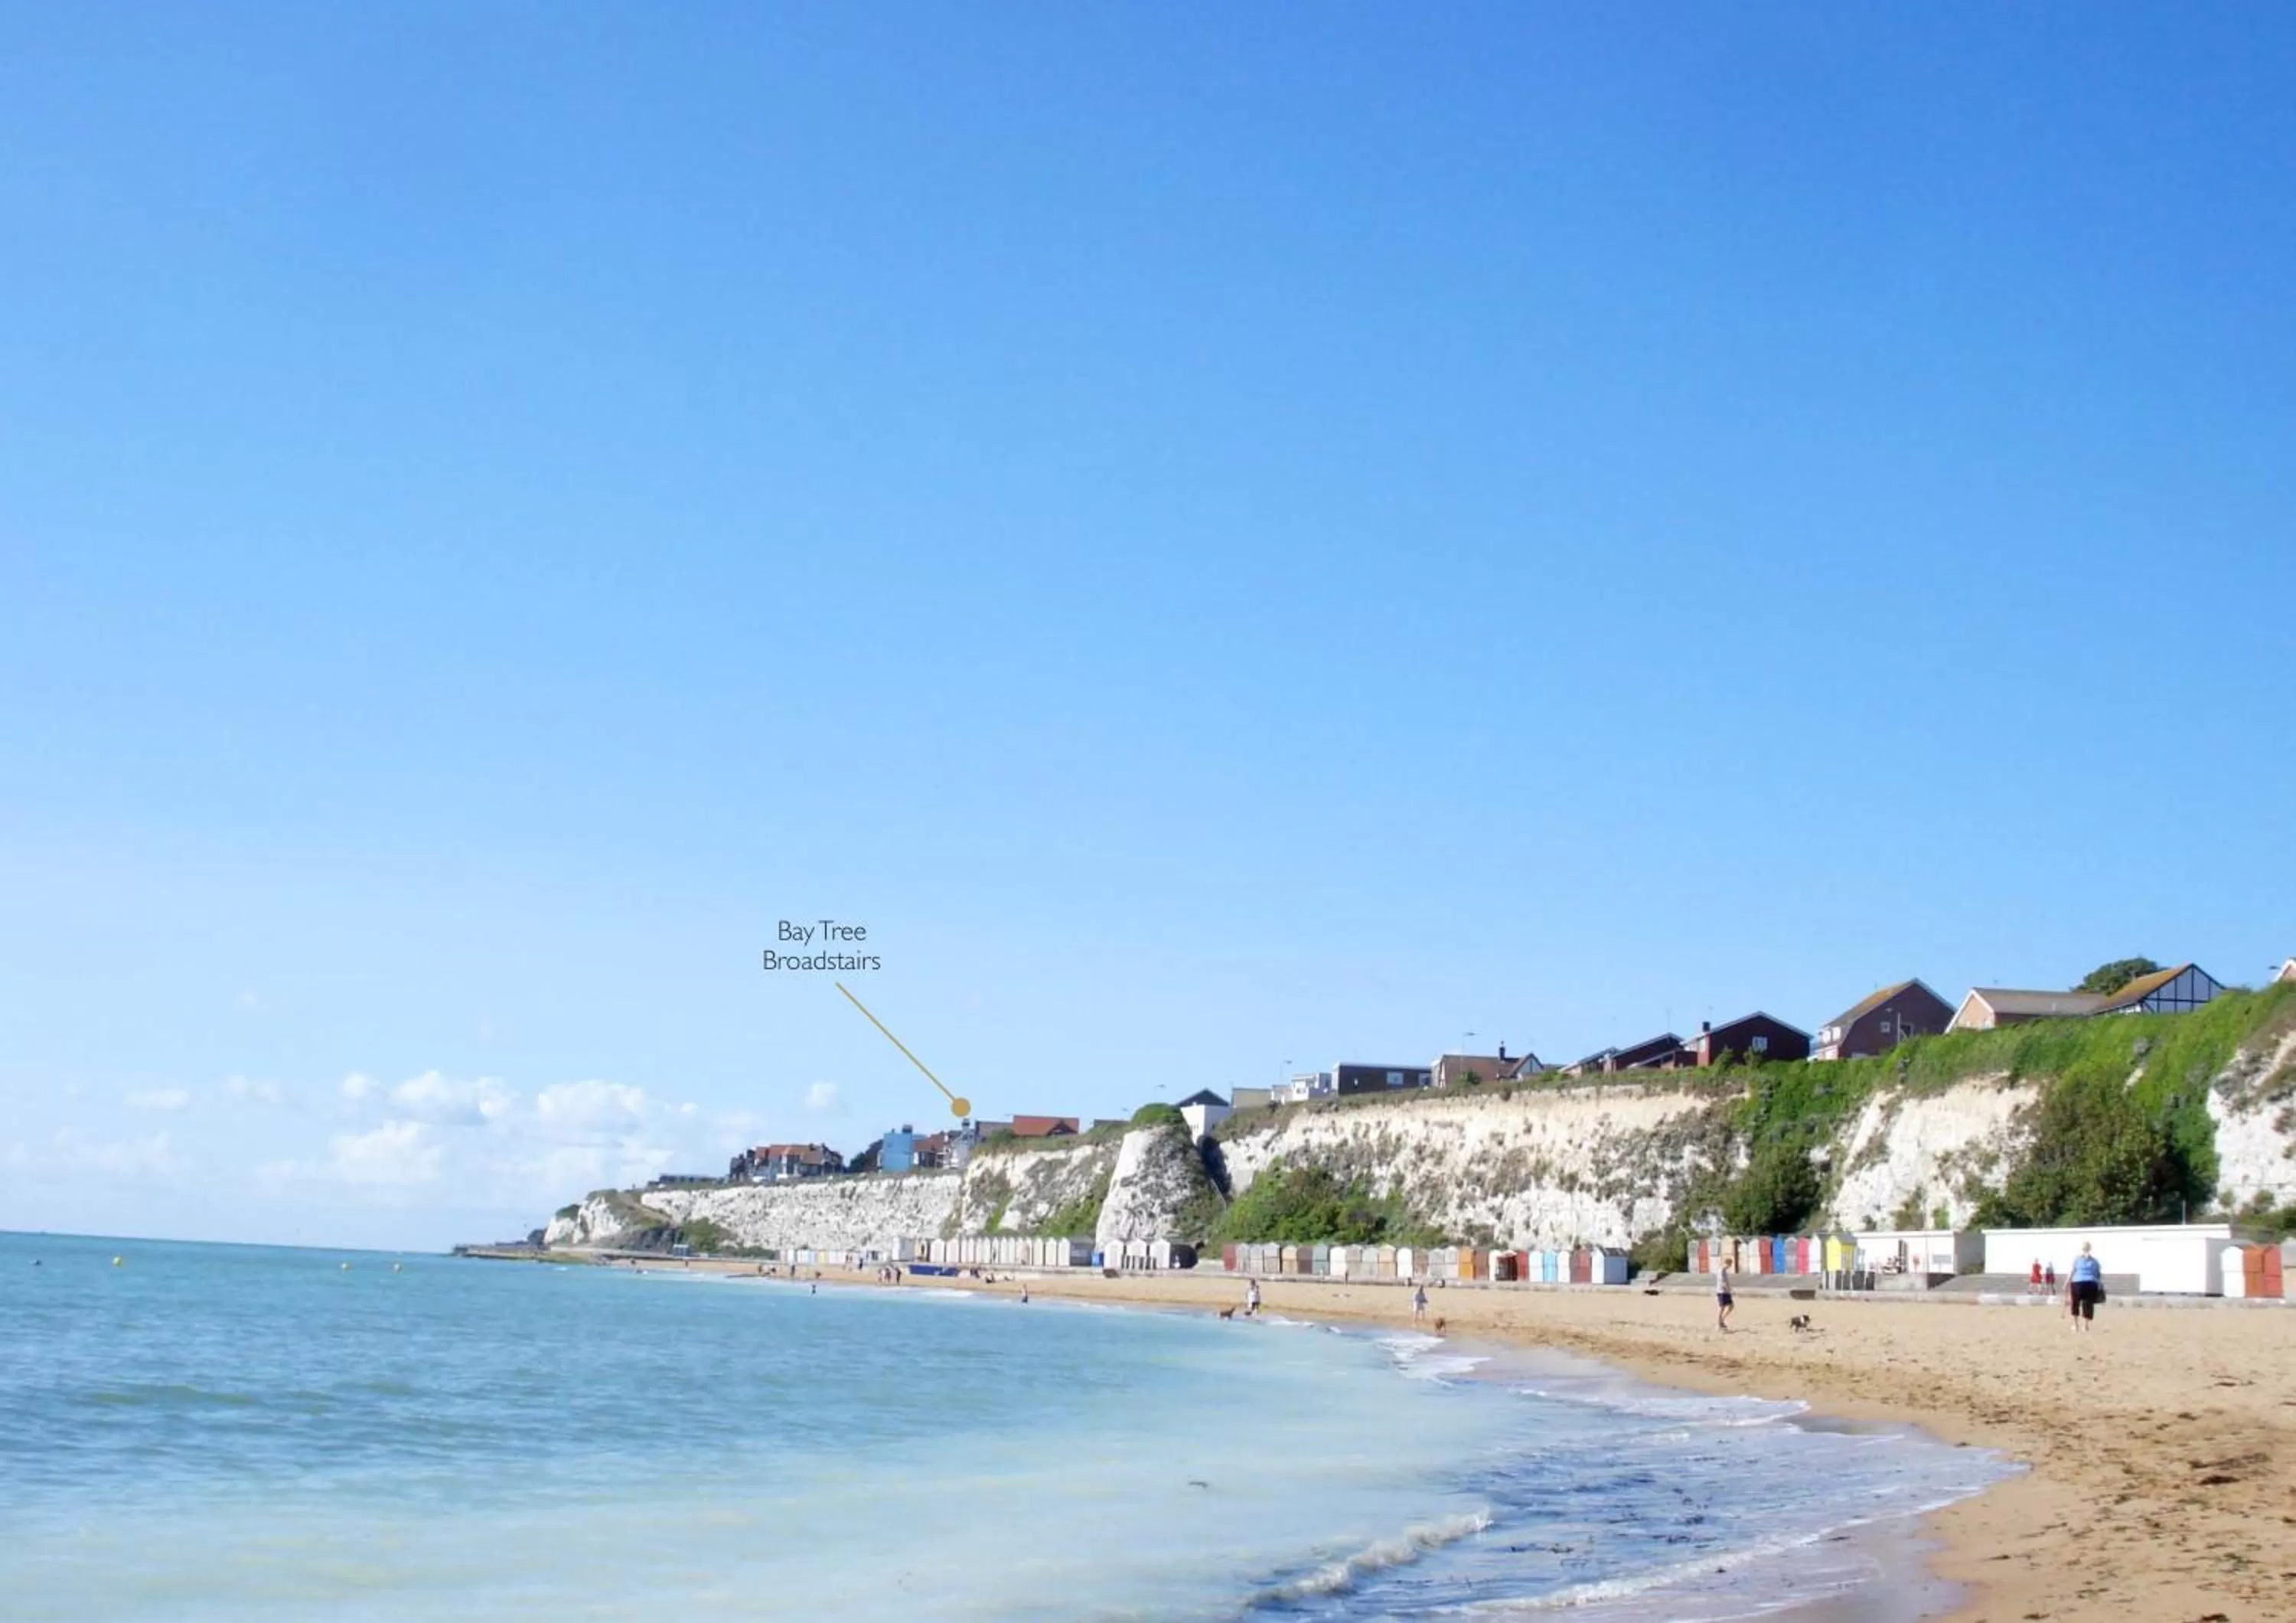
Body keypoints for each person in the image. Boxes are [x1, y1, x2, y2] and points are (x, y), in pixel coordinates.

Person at [2066, 1243, 2103, 1332]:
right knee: (2088, 1304)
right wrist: (2100, 1284)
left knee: (2075, 1303)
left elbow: (2072, 1271)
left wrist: (2067, 1282)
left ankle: (2075, 1325)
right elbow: (2098, 1274)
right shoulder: (2095, 1261)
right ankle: (2086, 1326)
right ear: (2090, 1249)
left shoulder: (2077, 1259)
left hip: (2077, 1282)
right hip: (2091, 1283)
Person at [1714, 1259, 1734, 1332]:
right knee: (1722, 1308)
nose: (1730, 1266)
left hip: (1726, 1292)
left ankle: (1722, 1320)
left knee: (1731, 1306)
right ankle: (1718, 1323)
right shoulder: (1721, 1271)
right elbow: (1722, 1282)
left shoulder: (1724, 1271)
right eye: (1730, 1264)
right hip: (1722, 1292)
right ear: (1728, 1263)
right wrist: (1728, 1288)